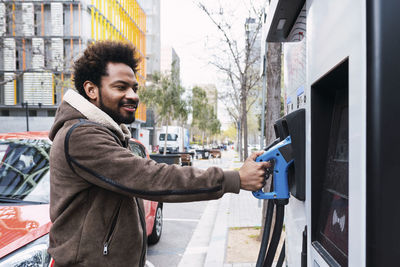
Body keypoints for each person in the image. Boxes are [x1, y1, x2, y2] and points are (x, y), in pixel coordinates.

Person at [48, 40, 270, 267]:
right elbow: (151, 177)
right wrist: (236, 178)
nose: (133, 95)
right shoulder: (81, 136)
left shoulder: (107, 133)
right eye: (120, 87)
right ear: (91, 89)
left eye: (134, 88)